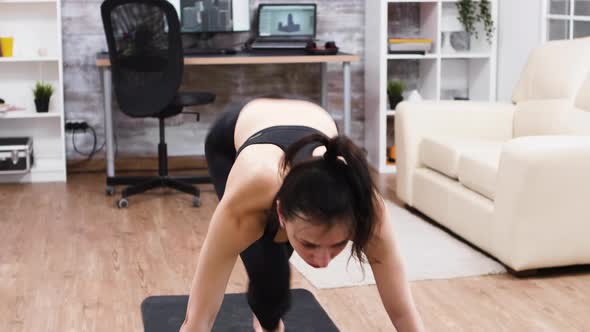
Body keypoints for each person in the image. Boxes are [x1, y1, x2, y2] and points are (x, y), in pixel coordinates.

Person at [180, 97, 424, 332]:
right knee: (270, 279)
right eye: (310, 244)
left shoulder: (366, 207)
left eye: (338, 244)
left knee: (273, 279)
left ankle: (268, 309)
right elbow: (197, 320)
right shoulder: (246, 199)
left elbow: (403, 313)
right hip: (231, 134)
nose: (323, 261)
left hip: (311, 114)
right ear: (280, 214)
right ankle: (269, 324)